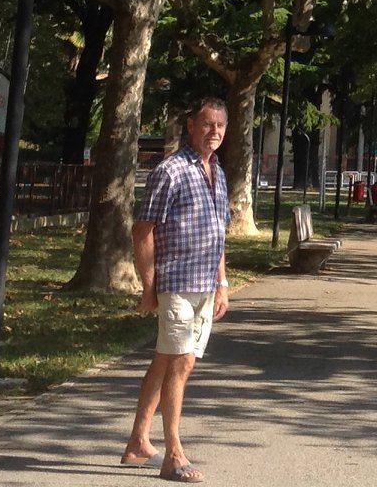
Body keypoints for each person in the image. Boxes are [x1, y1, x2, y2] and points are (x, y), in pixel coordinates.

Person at [123, 98, 230, 483]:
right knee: (181, 362)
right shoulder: (170, 171)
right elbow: (143, 230)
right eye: (206, 124)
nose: (214, 131)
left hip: (205, 286)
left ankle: (137, 443)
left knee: (169, 360)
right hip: (176, 284)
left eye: (220, 125)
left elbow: (219, 234)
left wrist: (222, 284)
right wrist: (149, 286)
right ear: (190, 126)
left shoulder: (217, 171)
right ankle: (173, 454)